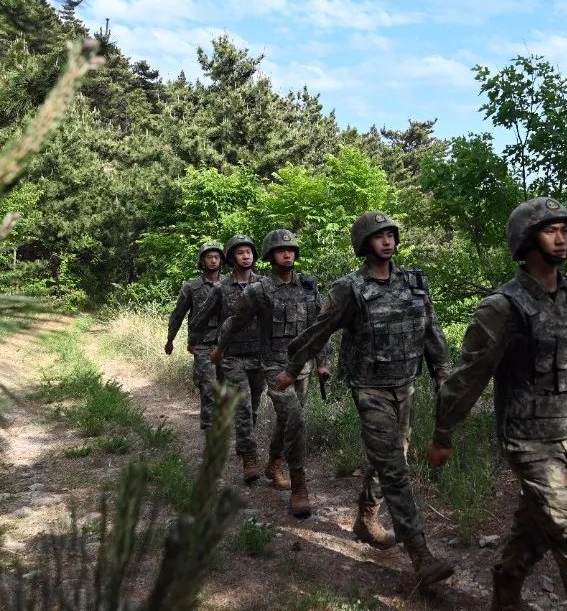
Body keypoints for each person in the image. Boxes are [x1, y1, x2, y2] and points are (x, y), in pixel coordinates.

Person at [427, 197, 567, 611]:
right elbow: (468, 377)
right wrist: (443, 434)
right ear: (526, 239)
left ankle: (505, 590)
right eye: (550, 231)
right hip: (529, 443)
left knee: (536, 527)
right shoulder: (504, 307)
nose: (561, 238)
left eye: (565, 230)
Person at [283, 211, 454, 586]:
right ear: (364, 243)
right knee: (394, 466)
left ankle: (365, 518)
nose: (387, 241)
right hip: (370, 388)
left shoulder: (413, 282)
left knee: (393, 455)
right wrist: (293, 368)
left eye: (391, 234)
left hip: (405, 385)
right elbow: (320, 330)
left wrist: (442, 370)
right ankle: (420, 554)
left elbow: (431, 328)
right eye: (379, 236)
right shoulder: (350, 288)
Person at [211, 229, 328, 518]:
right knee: (295, 417)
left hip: (302, 366)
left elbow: (320, 327)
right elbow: (235, 322)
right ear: (270, 256)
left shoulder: (308, 285)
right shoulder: (259, 291)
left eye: (291, 250)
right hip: (274, 366)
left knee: (288, 420)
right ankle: (299, 485)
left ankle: (275, 461)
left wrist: (322, 362)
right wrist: (220, 349)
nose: (287, 254)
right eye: (280, 250)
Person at [187, 234, 264, 483]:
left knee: (254, 404)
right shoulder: (222, 287)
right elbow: (200, 317)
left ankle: (244, 444)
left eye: (249, 252)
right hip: (231, 355)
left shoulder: (264, 284)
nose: (246, 256)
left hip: (259, 355)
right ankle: (249, 457)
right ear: (231, 258)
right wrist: (194, 341)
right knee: (242, 404)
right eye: (240, 252)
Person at [164, 242, 224, 432]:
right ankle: (210, 427)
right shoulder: (192, 286)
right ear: (202, 261)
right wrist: (170, 339)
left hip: (227, 343)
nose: (213, 260)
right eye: (209, 257)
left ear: (221, 260)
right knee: (208, 385)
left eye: (216, 257)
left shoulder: (230, 283)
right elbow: (178, 314)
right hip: (203, 343)